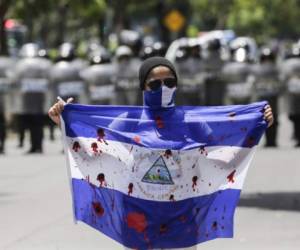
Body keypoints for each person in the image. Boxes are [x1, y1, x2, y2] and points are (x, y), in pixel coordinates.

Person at [48, 57, 274, 250]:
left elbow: (221, 154)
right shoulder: (127, 122)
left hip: (182, 218)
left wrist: (257, 126)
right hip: (137, 218)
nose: (163, 88)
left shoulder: (192, 123)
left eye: (170, 82)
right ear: (143, 87)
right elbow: (95, 152)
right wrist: (65, 122)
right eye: (154, 84)